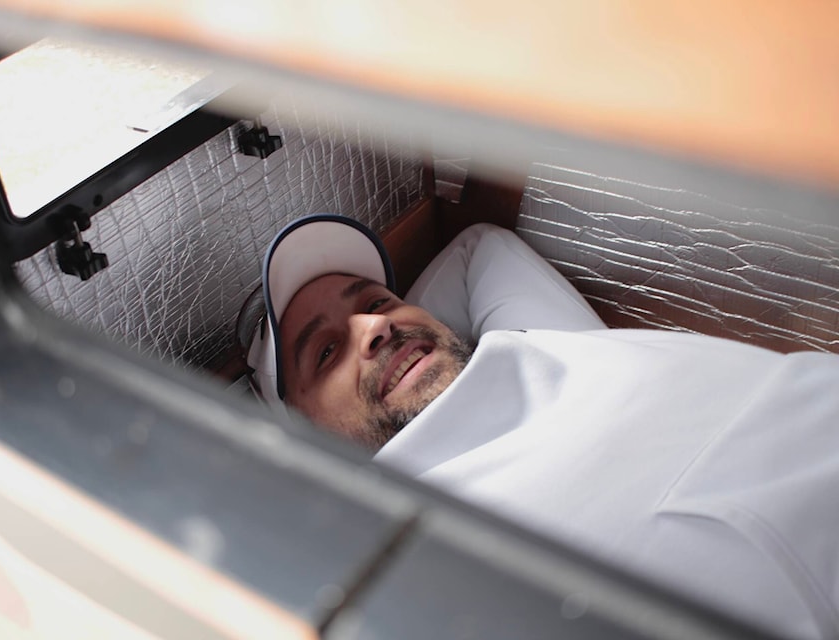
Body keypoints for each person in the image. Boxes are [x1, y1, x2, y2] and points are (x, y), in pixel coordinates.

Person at [243, 214, 839, 640]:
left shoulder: (537, 342)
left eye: (376, 300)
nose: (374, 327)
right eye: (324, 353)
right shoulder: (398, 553)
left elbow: (478, 245)